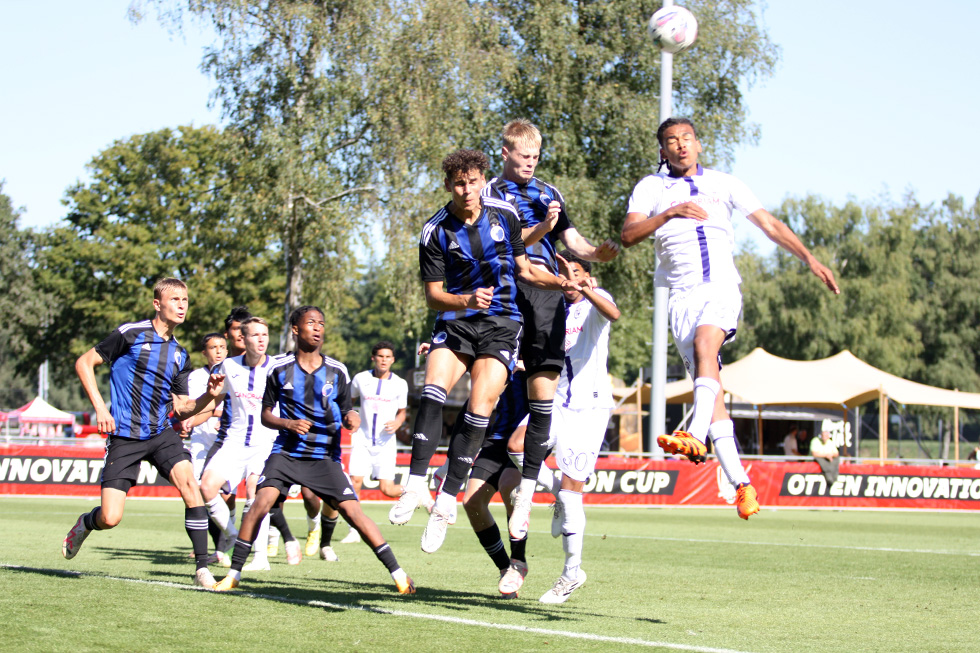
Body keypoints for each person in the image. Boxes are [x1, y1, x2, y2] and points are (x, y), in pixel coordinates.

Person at [621, 117, 840, 520]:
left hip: (720, 286)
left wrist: (809, 258)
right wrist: (670, 213)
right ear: (662, 150)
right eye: (672, 141)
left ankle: (692, 432)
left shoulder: (725, 183)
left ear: (699, 145)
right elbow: (629, 235)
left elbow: (769, 224)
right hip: (680, 298)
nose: (681, 145)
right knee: (713, 392)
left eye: (687, 138)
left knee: (708, 345)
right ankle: (742, 485)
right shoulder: (652, 188)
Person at [388, 148, 582, 555]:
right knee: (433, 392)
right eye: (459, 183)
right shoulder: (434, 231)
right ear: (448, 186)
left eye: (473, 181)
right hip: (457, 319)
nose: (467, 190)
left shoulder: (505, 215)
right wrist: (466, 301)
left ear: (482, 180)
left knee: (480, 405)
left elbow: (525, 268)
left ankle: (444, 503)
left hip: (502, 322)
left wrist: (559, 285)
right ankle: (415, 485)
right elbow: (433, 297)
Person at [482, 119, 620, 541]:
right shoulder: (490, 193)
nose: (530, 164)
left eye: (536, 157)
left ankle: (532, 489)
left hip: (546, 290)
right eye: (523, 156)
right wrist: (542, 228)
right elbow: (506, 244)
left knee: (543, 377)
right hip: (507, 285)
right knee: (492, 371)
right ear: (504, 152)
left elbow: (572, 241)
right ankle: (445, 486)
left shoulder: (549, 193)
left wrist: (598, 252)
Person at [213, 306, 415, 594]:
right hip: (286, 454)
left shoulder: (337, 370)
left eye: (321, 323)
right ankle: (233, 575)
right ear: (296, 329)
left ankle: (399, 574)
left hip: (323, 458)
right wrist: (288, 423)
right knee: (259, 504)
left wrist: (352, 418)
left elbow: (348, 409)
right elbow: (265, 415)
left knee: (354, 513)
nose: (318, 328)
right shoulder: (278, 369)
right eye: (311, 323)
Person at [62, 278, 226, 589]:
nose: (181, 305)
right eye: (175, 299)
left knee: (191, 486)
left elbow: (182, 409)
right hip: (125, 435)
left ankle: (203, 568)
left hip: (161, 433)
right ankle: (85, 523)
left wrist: (210, 395)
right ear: (157, 304)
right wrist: (100, 408)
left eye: (185, 300)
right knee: (110, 518)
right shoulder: (130, 334)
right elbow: (84, 363)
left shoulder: (180, 354)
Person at [538, 251, 620, 604]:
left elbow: (613, 313)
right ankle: (557, 493)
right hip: (559, 400)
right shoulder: (558, 309)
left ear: (587, 275)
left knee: (573, 491)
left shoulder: (595, 302)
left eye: (574, 272)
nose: (568, 279)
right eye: (562, 272)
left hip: (590, 408)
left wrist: (587, 290)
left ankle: (572, 573)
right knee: (515, 447)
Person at [199, 317, 281, 572]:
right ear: (243, 340)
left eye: (265, 334)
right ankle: (233, 534)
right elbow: (212, 402)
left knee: (255, 496)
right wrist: (190, 419)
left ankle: (260, 557)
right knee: (206, 487)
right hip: (234, 441)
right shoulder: (227, 367)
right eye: (255, 335)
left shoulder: (278, 368)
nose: (261, 339)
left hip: (265, 442)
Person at [337, 341, 412, 546]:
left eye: (388, 357)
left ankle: (415, 492)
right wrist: (349, 417)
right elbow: (348, 402)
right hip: (361, 439)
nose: (384, 360)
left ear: (393, 360)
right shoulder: (360, 379)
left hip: (386, 442)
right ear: (373, 358)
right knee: (355, 482)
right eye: (380, 356)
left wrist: (397, 422)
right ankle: (354, 529)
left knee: (387, 489)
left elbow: (403, 413)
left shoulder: (400, 384)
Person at [180, 332, 228, 562]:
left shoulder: (235, 372)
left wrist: (216, 411)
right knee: (200, 491)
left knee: (228, 494)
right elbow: (193, 407)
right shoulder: (196, 376)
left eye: (222, 346)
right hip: (201, 439)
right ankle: (220, 545)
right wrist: (214, 410)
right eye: (213, 347)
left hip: (228, 440)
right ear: (204, 353)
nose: (218, 350)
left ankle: (230, 544)